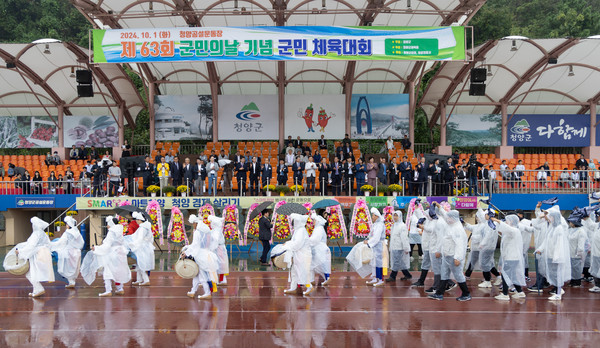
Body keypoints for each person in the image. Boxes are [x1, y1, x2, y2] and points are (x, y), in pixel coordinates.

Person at [429, 204, 471, 301]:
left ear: (453, 218)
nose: (447, 219)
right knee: (444, 274)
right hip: (446, 255)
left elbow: (460, 245)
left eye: (449, 218)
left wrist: (458, 258)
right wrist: (440, 207)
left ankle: (466, 293)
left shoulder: (457, 229)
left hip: (453, 256)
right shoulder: (451, 225)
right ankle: (439, 293)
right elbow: (444, 215)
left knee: (458, 275)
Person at [3, 217, 54, 297]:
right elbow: (47, 244)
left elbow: (31, 246)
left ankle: (39, 289)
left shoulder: (36, 234)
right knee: (33, 272)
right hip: (44, 254)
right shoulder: (43, 233)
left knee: (30, 273)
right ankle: (36, 290)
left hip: (37, 255)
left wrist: (20, 251)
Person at [81, 217, 131, 297]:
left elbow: (107, 245)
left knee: (107, 272)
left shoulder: (111, 232)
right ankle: (120, 289)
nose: (107, 226)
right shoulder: (119, 231)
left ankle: (108, 290)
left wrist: (96, 248)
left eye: (108, 224)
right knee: (117, 271)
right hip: (120, 253)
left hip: (112, 254)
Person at [535, 206, 571, 300]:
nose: (547, 218)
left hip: (557, 257)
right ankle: (557, 291)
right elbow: (546, 241)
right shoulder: (551, 227)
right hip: (551, 255)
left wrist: (557, 256)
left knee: (558, 274)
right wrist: (540, 249)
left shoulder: (559, 228)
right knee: (554, 275)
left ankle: (558, 293)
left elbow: (559, 244)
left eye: (549, 216)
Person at [489, 215, 527, 300]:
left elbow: (506, 228)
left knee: (505, 275)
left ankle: (505, 294)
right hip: (510, 257)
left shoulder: (514, 230)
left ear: (512, 222)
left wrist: (498, 221)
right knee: (512, 275)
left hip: (512, 257)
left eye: (507, 221)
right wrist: (495, 223)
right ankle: (520, 292)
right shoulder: (510, 231)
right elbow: (503, 230)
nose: (505, 222)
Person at [182, 215, 219, 299]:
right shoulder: (207, 231)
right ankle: (192, 291)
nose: (193, 226)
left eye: (193, 224)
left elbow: (196, 245)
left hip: (201, 256)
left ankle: (207, 293)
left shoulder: (197, 232)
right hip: (207, 254)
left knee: (202, 276)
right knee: (196, 274)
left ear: (195, 223)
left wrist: (186, 252)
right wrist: (188, 247)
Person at [282, 213, 314, 296]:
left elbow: (297, 244)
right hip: (298, 255)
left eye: (294, 221)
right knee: (294, 272)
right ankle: (293, 288)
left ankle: (309, 286)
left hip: (302, 255)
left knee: (302, 272)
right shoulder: (298, 230)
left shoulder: (301, 231)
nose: (293, 223)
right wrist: (289, 243)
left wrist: (287, 245)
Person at [50, 216, 84, 289]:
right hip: (76, 253)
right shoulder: (77, 232)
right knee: (73, 268)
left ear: (69, 225)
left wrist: (50, 244)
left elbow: (61, 242)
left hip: (68, 252)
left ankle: (71, 282)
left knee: (66, 268)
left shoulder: (67, 233)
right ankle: (72, 282)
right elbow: (82, 243)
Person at [125, 212, 155, 286]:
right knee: (139, 264)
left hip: (142, 248)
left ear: (139, 220)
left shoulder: (143, 228)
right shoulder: (145, 227)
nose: (136, 221)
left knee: (141, 264)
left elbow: (139, 239)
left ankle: (146, 280)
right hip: (144, 247)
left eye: (137, 220)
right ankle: (139, 279)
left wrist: (132, 244)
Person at [386, 210, 412, 282]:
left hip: (399, 247)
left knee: (396, 262)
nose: (395, 217)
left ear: (400, 216)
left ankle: (392, 276)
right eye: (394, 215)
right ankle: (407, 275)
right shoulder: (394, 225)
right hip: (394, 247)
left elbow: (404, 238)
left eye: (396, 216)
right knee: (400, 262)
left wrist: (406, 248)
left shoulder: (402, 226)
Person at [364, 208, 386, 287]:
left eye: (373, 215)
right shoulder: (375, 224)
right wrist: (367, 239)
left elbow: (376, 238)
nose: (372, 217)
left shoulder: (380, 225)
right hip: (374, 246)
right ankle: (374, 278)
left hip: (379, 245)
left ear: (376, 216)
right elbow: (371, 234)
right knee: (373, 262)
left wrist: (369, 243)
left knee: (379, 262)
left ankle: (380, 279)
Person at [309, 212, 332, 286]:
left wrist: (307, 241)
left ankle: (312, 280)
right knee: (320, 265)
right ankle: (312, 279)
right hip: (320, 249)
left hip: (319, 249)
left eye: (314, 220)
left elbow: (315, 240)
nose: (313, 222)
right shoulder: (319, 228)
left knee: (316, 265)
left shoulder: (318, 229)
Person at [208, 215, 230, 285]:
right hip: (219, 248)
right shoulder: (216, 230)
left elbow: (215, 241)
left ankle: (215, 280)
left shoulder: (216, 231)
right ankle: (222, 280)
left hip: (218, 249)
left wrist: (210, 249)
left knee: (217, 264)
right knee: (221, 264)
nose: (210, 224)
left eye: (211, 222)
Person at [567, 216, 587, 287]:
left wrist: (579, 253)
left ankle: (577, 281)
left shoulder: (581, 231)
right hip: (571, 252)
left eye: (570, 222)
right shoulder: (571, 230)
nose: (569, 223)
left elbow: (581, 244)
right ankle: (573, 280)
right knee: (572, 267)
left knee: (576, 268)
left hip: (577, 253)